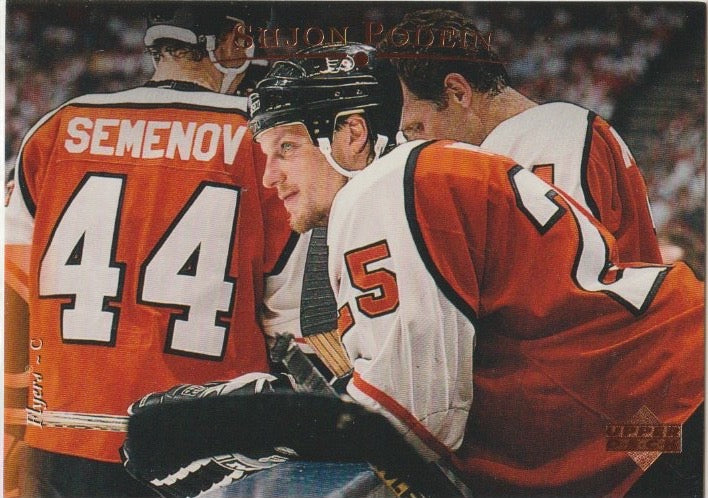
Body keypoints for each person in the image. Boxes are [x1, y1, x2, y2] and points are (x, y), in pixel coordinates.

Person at [248, 43, 704, 496]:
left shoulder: (379, 191)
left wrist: (278, 420)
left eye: (286, 148)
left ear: (352, 133)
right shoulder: (427, 171)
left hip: (664, 404)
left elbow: (416, 415)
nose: (269, 175)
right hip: (661, 399)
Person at [4, 3, 302, 496]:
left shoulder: (56, 127)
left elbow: (12, 290)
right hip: (203, 451)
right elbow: (296, 323)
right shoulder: (265, 139)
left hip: (61, 438)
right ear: (233, 41)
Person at [378, 9, 663, 265]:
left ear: (457, 92)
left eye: (417, 127)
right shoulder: (556, 131)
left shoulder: (550, 137)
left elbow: (564, 282)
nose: (418, 145)